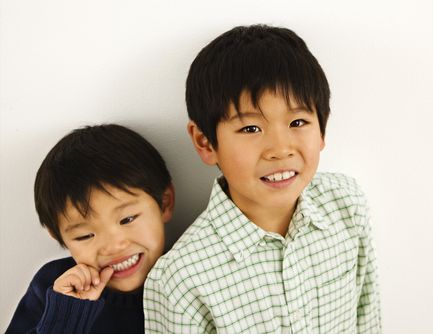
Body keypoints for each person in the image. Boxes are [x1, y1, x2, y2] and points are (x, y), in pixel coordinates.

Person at [143, 25, 382, 333]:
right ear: (205, 142)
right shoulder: (181, 280)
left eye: (298, 122)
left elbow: (368, 318)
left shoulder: (347, 204)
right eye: (250, 129)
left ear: (322, 130)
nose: (280, 149)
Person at [7, 124, 174, 334]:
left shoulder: (187, 273)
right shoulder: (53, 288)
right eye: (85, 235)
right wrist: (65, 317)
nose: (114, 246)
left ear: (165, 203)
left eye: (127, 219)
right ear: (58, 235)